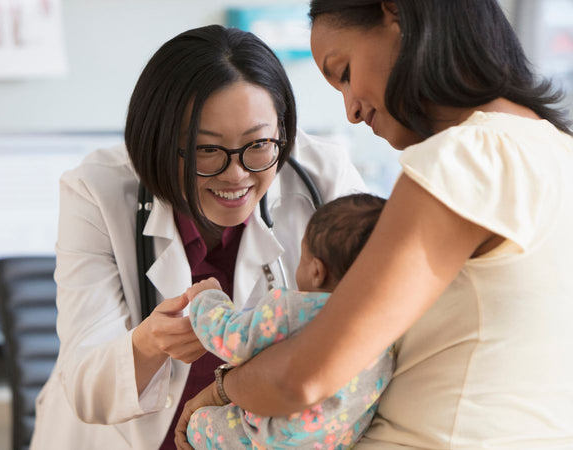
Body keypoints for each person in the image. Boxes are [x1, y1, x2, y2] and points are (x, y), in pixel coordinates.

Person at [174, 1, 573, 449]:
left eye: (343, 72)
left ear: (395, 14)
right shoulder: (556, 150)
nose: (351, 111)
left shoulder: (464, 159)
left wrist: (219, 392)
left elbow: (302, 379)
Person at [29, 25, 368, 450]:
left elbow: (378, 325)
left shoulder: (324, 175)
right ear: (159, 141)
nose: (237, 174)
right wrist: (149, 344)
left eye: (259, 143)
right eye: (207, 150)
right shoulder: (96, 191)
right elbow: (85, 385)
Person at [184, 194, 394, 449]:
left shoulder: (292, 309)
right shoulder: (386, 329)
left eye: (303, 256)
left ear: (317, 271)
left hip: (269, 440)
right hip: (332, 442)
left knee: (198, 424)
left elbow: (230, 337)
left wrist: (207, 297)